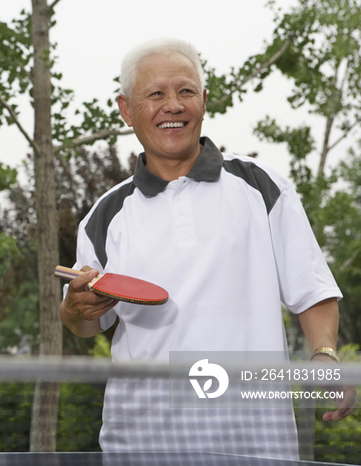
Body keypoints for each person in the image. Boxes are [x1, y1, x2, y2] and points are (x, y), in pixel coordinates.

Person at [59, 38, 357, 459]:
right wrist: (75, 309)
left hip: (257, 440)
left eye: (185, 91)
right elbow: (87, 323)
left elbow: (312, 291)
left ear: (204, 99)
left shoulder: (261, 186)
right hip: (143, 444)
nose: (173, 106)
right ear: (126, 110)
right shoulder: (104, 216)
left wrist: (325, 355)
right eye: (156, 94)